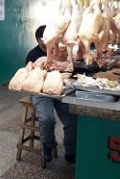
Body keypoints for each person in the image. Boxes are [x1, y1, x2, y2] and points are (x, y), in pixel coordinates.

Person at [26, 25, 77, 164]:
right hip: (40, 92)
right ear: (39, 40)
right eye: (46, 38)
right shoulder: (33, 54)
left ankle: (71, 152)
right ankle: (48, 145)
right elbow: (29, 76)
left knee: (72, 119)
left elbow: (69, 69)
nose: (51, 41)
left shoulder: (59, 51)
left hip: (60, 90)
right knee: (47, 119)